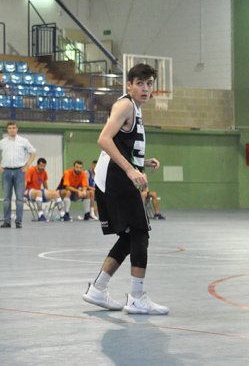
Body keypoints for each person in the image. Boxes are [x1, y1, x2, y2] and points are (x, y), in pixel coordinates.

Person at [82, 63, 168, 315]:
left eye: (149, 84)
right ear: (129, 85)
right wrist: (131, 170)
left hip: (115, 176)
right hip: (115, 178)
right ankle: (137, 297)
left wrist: (142, 161)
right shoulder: (125, 105)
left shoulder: (135, 109)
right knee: (140, 232)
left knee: (130, 235)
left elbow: (122, 144)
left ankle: (98, 289)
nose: (145, 88)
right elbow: (104, 139)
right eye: (140, 83)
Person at [0, 121, 36, 228]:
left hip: (19, 171)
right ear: (7, 130)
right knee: (6, 198)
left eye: (14, 128)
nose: (12, 130)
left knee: (19, 198)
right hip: (6, 171)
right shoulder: (2, 142)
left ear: (17, 129)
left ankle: (18, 221)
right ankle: (7, 221)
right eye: (10, 128)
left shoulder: (23, 141)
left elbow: (33, 152)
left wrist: (27, 166)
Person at [24, 158, 60, 222]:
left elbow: (45, 184)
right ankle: (41, 215)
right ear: (37, 165)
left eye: (44, 166)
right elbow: (24, 183)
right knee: (39, 193)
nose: (42, 168)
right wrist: (22, 195)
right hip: (29, 191)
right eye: (41, 166)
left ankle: (63, 214)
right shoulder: (31, 170)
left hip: (39, 191)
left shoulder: (44, 172)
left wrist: (48, 193)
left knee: (56, 193)